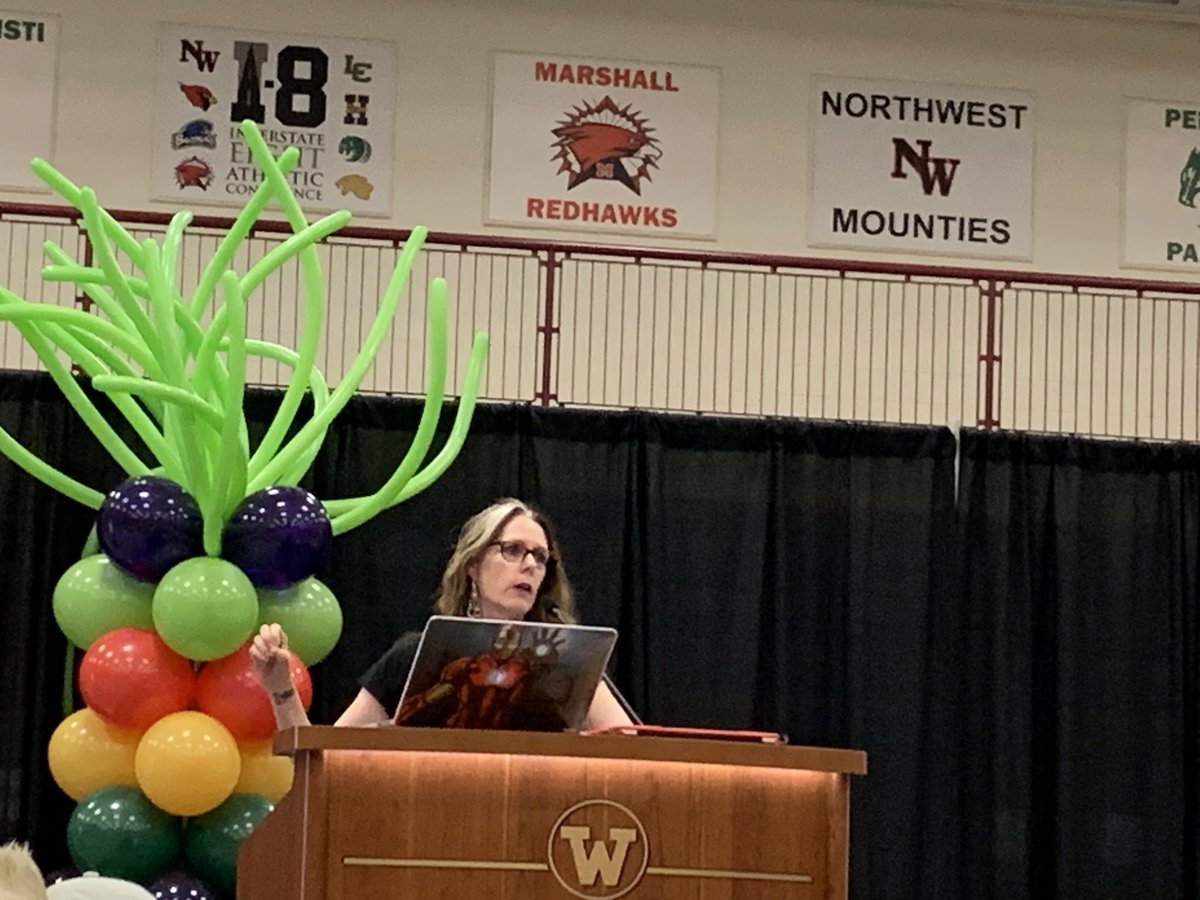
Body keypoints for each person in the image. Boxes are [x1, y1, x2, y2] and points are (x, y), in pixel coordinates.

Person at [250, 498, 633, 732]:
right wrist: (280, 687)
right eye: (513, 550)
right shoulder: (416, 656)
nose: (530, 565)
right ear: (472, 564)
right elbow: (322, 758)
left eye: (540, 557)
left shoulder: (566, 660)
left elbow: (626, 744)